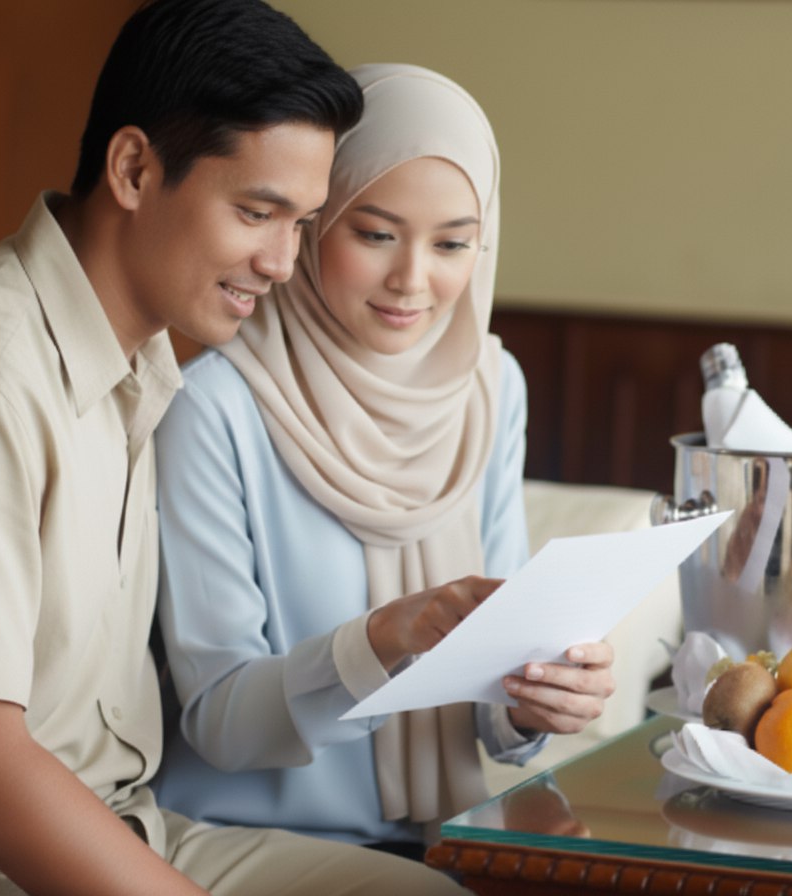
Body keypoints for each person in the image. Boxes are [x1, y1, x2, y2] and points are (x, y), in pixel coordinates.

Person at [0, 3, 468, 894]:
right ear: (132, 169)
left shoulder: (144, 363)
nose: (281, 261)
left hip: (133, 827)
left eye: (302, 223)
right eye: (257, 211)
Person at [153, 63, 616, 856]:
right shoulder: (211, 407)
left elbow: (493, 657)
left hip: (438, 836)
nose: (413, 280)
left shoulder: (490, 387)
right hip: (241, 843)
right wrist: (386, 636)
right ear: (313, 222)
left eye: (453, 243)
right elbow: (221, 720)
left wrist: (536, 700)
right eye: (374, 233)